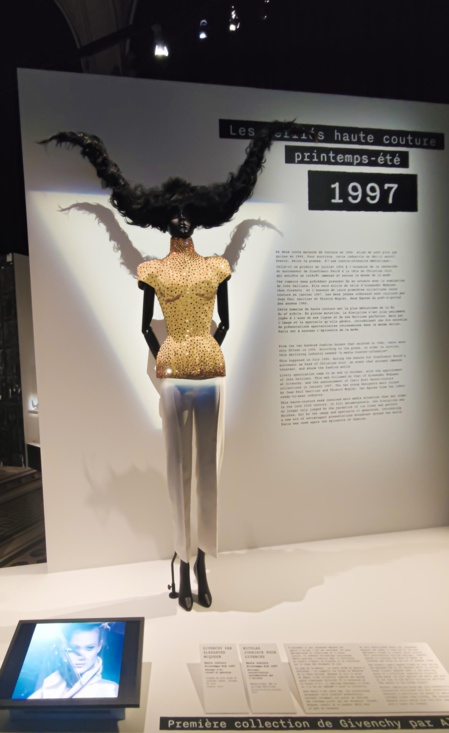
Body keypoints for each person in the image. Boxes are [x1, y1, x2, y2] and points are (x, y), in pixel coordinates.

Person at [41, 121, 302, 611]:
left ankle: (200, 560)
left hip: (209, 371)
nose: (182, 220)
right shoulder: (154, 271)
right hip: (173, 372)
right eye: (175, 215)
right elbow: (145, 324)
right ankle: (182, 561)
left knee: (208, 470)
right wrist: (166, 350)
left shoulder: (215, 267)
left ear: (198, 220)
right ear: (164, 222)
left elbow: (227, 320)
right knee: (177, 469)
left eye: (188, 214)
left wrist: (207, 344)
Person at [28, 623, 119, 699]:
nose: (81, 656)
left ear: (99, 646)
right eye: (73, 649)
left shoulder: (111, 691)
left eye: (89, 648)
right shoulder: (50, 685)